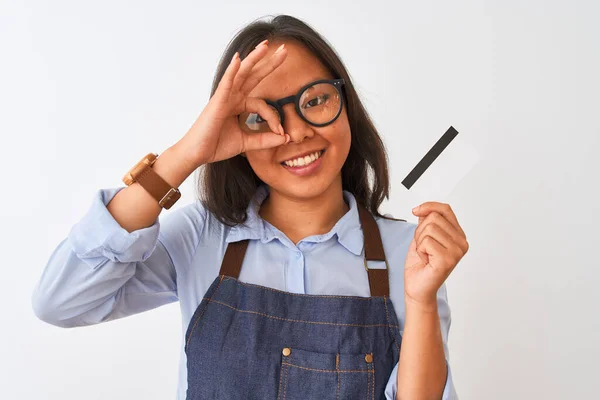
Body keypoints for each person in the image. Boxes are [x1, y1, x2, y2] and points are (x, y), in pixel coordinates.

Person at [32, 14, 468, 400]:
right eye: (262, 117)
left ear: (345, 104)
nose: (296, 133)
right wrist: (186, 154)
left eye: (315, 100)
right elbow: (61, 302)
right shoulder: (203, 235)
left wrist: (422, 299)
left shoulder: (409, 252)